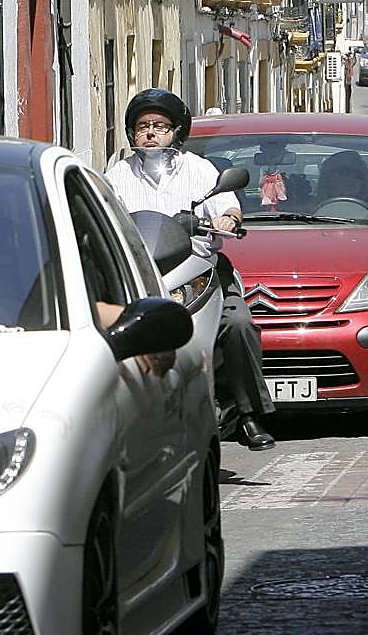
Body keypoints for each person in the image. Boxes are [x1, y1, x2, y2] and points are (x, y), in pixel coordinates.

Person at [106, 88, 276, 451]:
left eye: (160, 126)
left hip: (199, 269)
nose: (150, 133)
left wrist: (227, 219)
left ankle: (248, 415)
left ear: (176, 132)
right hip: (139, 274)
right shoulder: (118, 173)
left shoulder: (199, 170)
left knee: (239, 324)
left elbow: (228, 206)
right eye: (143, 126)